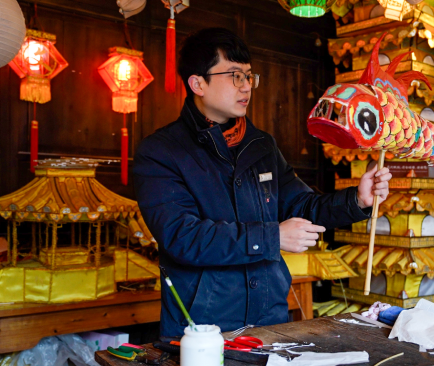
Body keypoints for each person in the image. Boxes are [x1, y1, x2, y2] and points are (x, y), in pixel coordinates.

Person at [132, 28, 392, 337]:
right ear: (197, 83)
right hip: (201, 326)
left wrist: (357, 201)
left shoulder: (261, 145)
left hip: (269, 318)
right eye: (234, 76)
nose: (246, 87)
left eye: (249, 76)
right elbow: (183, 237)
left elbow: (302, 205)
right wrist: (272, 238)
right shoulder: (162, 151)